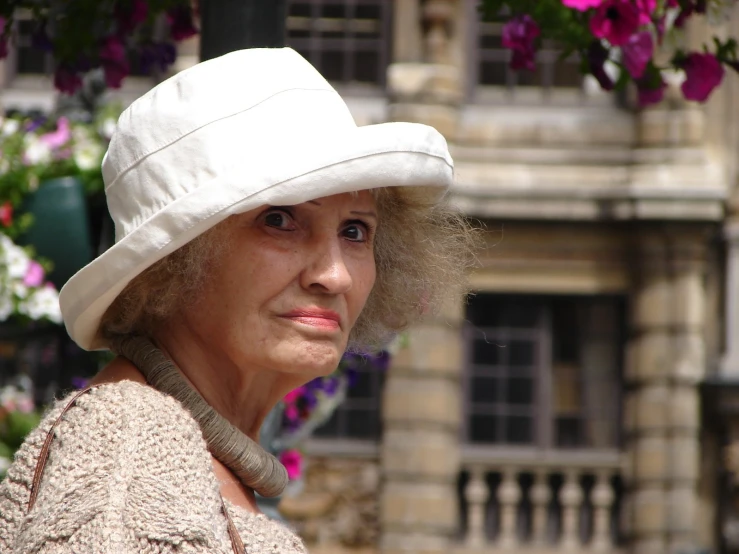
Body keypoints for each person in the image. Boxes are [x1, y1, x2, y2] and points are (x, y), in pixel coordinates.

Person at [0, 47, 475, 553]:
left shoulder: (168, 456)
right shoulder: (129, 467)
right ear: (172, 260)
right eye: (280, 220)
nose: (334, 275)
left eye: (355, 231)